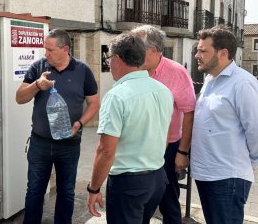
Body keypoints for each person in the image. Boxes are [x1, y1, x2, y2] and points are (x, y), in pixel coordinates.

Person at [87, 32, 173, 224]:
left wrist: (94, 188)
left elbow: (105, 151)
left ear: (117, 59)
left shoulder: (117, 95)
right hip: (157, 177)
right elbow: (165, 134)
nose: (109, 64)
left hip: (129, 183)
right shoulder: (163, 90)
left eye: (109, 59)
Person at [16, 29, 100, 224]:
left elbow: (94, 103)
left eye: (50, 49)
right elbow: (19, 98)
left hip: (69, 145)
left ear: (65, 49)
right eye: (45, 49)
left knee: (66, 192)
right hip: (40, 143)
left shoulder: (83, 70)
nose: (46, 54)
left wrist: (79, 124)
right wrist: (37, 85)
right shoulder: (39, 68)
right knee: (35, 190)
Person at [191, 26, 258, 224]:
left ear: (223, 53)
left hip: (227, 178)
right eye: (197, 50)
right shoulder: (211, 79)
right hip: (206, 174)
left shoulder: (243, 84)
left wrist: (247, 166)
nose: (197, 55)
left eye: (203, 51)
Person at [132, 25, 196, 223]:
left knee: (168, 200)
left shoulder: (177, 72)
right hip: (139, 147)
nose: (133, 52)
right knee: (140, 199)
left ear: (153, 50)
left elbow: (189, 112)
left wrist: (182, 152)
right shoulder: (134, 69)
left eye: (137, 47)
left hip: (168, 147)